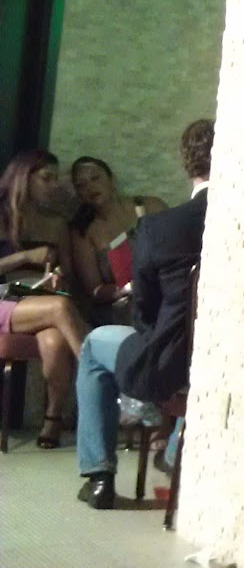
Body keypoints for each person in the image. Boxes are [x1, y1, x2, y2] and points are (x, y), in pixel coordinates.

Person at [76, 120, 212, 509]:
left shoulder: (159, 226)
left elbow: (143, 312)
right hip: (219, 359)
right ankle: (169, 450)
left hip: (170, 361)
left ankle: (99, 476)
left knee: (93, 345)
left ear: (187, 164)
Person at [0, 150, 88, 449]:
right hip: (3, 300)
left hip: (38, 301)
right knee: (60, 307)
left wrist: (59, 279)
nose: (53, 185)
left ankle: (53, 419)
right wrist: (25, 256)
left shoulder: (56, 224)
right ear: (24, 178)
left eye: (55, 178)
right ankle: (99, 373)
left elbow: (69, 275)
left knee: (53, 340)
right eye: (46, 178)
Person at [68, 157, 168, 322]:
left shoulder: (150, 206)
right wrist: (129, 288)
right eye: (81, 185)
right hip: (123, 304)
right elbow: (94, 291)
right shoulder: (84, 232)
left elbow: (176, 249)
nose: (90, 187)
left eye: (95, 178)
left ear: (112, 179)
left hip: (163, 289)